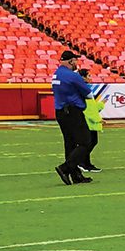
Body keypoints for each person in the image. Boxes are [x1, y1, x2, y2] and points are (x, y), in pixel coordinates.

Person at [51, 50, 93, 185]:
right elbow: (87, 92)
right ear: (70, 61)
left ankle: (75, 175)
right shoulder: (72, 76)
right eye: (75, 60)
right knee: (85, 141)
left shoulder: (57, 74)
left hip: (60, 111)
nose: (77, 63)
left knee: (70, 143)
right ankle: (66, 168)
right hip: (72, 111)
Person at [78, 68, 103, 173]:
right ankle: (82, 162)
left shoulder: (84, 88)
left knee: (90, 142)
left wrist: (100, 105)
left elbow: (91, 106)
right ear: (83, 77)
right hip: (88, 121)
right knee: (89, 142)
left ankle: (85, 162)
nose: (90, 78)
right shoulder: (83, 89)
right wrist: (97, 118)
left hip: (89, 120)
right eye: (88, 76)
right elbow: (88, 108)